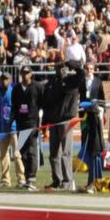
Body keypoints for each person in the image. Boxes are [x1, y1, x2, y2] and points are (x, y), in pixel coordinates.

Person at [43, 59, 83, 191]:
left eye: (62, 67)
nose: (60, 69)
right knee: (54, 153)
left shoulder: (72, 80)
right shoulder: (50, 83)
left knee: (66, 152)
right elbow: (46, 105)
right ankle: (57, 180)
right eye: (58, 66)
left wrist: (73, 65)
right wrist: (44, 125)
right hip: (53, 122)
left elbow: (81, 75)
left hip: (66, 121)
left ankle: (67, 181)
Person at [10, 66, 43, 190]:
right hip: (21, 124)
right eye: (23, 73)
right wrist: (11, 121)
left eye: (27, 73)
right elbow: (14, 107)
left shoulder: (37, 87)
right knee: (22, 151)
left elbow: (42, 105)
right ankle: (26, 177)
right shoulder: (16, 89)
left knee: (32, 151)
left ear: (31, 74)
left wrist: (41, 123)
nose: (25, 75)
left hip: (33, 124)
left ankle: (32, 178)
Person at [79, 61, 106, 192]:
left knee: (95, 147)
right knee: (86, 145)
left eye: (91, 68)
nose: (89, 70)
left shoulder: (98, 82)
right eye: (87, 68)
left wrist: (102, 112)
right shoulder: (81, 82)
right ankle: (90, 179)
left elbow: (102, 99)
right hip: (84, 117)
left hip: (95, 117)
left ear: (94, 70)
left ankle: (97, 179)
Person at [0, 73, 25, 189]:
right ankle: (5, 179)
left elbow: (22, 108)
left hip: (13, 127)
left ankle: (21, 179)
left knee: (17, 154)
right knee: (3, 155)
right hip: (1, 128)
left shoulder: (14, 92)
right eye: (2, 79)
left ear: (11, 80)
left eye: (6, 79)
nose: (4, 81)